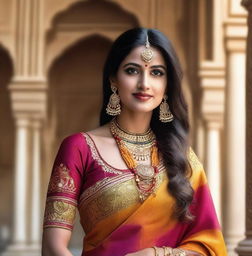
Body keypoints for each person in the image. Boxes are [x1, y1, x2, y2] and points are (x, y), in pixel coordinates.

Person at [42, 27, 227, 256]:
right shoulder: (79, 148)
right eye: (132, 70)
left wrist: (156, 254)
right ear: (113, 79)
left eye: (157, 73)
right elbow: (53, 247)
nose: (144, 83)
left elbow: (210, 248)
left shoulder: (183, 159)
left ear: (167, 85)